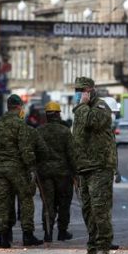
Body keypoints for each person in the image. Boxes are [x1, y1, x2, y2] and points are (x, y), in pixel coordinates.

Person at [73, 77, 116, 254]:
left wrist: (82, 106)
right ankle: (92, 250)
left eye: (82, 90)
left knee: (100, 209)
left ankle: (104, 250)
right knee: (88, 210)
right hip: (84, 167)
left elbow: (94, 123)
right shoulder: (80, 110)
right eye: (77, 90)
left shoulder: (101, 107)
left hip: (100, 167)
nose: (79, 93)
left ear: (91, 90)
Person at [0, 94, 44, 248]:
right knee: (26, 199)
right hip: (18, 169)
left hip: (0, 169)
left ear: (8, 106)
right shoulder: (21, 125)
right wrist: (31, 168)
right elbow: (25, 150)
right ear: (20, 107)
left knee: (2, 202)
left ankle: (3, 237)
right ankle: (27, 235)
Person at [36, 101, 75, 242]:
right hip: (63, 175)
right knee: (64, 203)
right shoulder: (65, 132)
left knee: (48, 204)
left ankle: (48, 232)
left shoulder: (39, 131)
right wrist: (76, 173)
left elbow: (35, 152)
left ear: (46, 115)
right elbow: (72, 154)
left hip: (45, 174)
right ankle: (62, 232)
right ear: (58, 114)